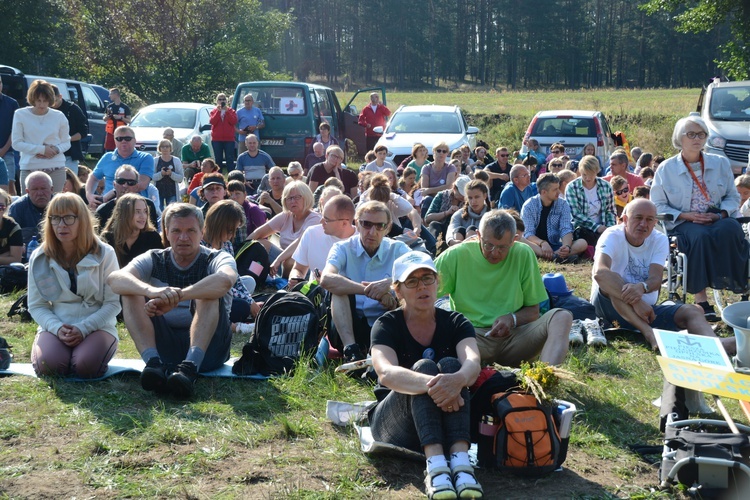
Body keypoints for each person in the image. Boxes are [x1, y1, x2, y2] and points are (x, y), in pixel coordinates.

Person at [368, 251, 483, 499]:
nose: (422, 287)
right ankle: (436, 468)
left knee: (453, 364)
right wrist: (440, 386)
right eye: (412, 281)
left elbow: (473, 362)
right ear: (398, 291)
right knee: (424, 367)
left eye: (428, 278)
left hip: (444, 421)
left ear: (437, 282)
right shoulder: (386, 325)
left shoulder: (456, 322)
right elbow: (386, 373)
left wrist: (458, 380)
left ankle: (461, 465)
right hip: (394, 424)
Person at [108, 203, 238, 398]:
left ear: (202, 232)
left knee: (208, 290)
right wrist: (152, 291)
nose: (183, 237)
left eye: (191, 231)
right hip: (165, 349)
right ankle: (153, 364)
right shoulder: (154, 258)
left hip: (210, 350)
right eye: (176, 231)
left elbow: (225, 280)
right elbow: (115, 279)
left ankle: (189, 370)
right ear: (166, 233)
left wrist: (178, 297)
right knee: (130, 291)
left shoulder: (217, 257)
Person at [592, 198, 735, 353]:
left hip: (647, 312)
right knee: (612, 280)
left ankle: (717, 346)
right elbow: (600, 273)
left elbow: (655, 280)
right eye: (638, 218)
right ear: (625, 219)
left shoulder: (659, 239)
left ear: (655, 223)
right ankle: (649, 333)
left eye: (649, 220)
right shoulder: (612, 235)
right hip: (609, 306)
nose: (643, 224)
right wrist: (636, 302)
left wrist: (642, 287)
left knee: (694, 310)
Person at [435, 210, 572, 367]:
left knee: (562, 317)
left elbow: (533, 311)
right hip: (471, 338)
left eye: (502, 247)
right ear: (478, 236)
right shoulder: (456, 255)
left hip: (515, 337)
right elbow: (425, 291)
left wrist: (512, 319)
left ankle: (544, 378)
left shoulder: (523, 253)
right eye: (488, 245)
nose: (494, 253)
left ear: (514, 240)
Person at [651, 113, 749, 319]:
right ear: (680, 138)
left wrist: (720, 214)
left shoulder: (720, 163)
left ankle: (742, 288)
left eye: (701, 134)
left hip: (715, 217)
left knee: (731, 229)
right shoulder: (666, 169)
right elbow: (658, 204)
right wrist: (686, 215)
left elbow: (732, 196)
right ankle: (702, 301)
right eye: (691, 134)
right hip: (685, 221)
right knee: (699, 237)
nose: (697, 138)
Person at [29, 192, 121, 378]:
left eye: (69, 218)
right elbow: (36, 305)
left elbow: (113, 303)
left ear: (83, 220)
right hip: (57, 325)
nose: (61, 225)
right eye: (55, 218)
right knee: (50, 367)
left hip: (97, 326)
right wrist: (56, 328)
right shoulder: (39, 257)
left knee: (85, 367)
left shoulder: (105, 253)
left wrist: (84, 328)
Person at [320, 201, 410, 362]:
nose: (372, 231)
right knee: (339, 287)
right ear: (357, 223)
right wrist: (372, 292)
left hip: (386, 323)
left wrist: (390, 285)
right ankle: (351, 350)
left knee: (409, 288)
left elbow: (423, 272)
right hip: (348, 327)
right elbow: (326, 279)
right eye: (367, 224)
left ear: (388, 228)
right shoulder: (342, 248)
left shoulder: (398, 249)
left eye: (379, 226)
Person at [248, 181, 322, 277]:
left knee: (290, 261)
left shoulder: (315, 219)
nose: (292, 201)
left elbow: (299, 244)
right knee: (259, 244)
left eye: (297, 197)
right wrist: (240, 251)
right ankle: (253, 275)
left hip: (306, 268)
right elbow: (258, 233)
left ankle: (286, 283)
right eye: (289, 198)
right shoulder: (286, 215)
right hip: (282, 263)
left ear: (306, 197)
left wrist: (278, 260)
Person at [202, 200, 258, 324]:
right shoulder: (201, 247)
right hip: (208, 293)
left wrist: (250, 301)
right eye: (230, 230)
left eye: (234, 231)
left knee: (249, 281)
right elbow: (218, 284)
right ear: (218, 224)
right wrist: (248, 302)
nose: (232, 235)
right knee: (242, 307)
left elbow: (235, 279)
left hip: (227, 290)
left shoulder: (226, 245)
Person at [11, 79, 70, 193]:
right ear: (32, 99)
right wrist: (42, 150)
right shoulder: (20, 114)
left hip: (56, 167)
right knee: (27, 205)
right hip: (29, 167)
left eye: (45, 100)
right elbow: (16, 143)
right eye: (38, 100)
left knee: (54, 207)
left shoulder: (59, 116)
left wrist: (56, 149)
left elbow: (66, 142)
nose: (42, 104)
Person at [288, 194, 357, 286]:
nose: (321, 221)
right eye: (322, 216)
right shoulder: (312, 233)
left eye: (326, 220)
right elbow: (298, 269)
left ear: (344, 223)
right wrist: (296, 278)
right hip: (314, 296)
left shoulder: (363, 241)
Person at [521, 173, 587, 263]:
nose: (559, 192)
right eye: (555, 190)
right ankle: (555, 257)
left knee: (583, 243)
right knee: (521, 240)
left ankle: (553, 256)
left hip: (555, 245)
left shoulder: (563, 204)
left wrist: (566, 246)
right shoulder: (529, 206)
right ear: (544, 192)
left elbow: (566, 229)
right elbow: (528, 233)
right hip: (536, 245)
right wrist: (543, 243)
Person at [86, 126, 154, 209]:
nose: (123, 141)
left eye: (127, 138)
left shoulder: (145, 158)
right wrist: (89, 195)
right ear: (115, 141)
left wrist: (113, 193)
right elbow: (93, 177)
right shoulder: (107, 157)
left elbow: (142, 184)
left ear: (135, 141)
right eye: (119, 139)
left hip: (134, 205)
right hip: (108, 206)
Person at [565, 155, 617, 246]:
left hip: (603, 227)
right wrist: (596, 227)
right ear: (580, 172)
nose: (588, 178)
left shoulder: (606, 186)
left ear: (597, 172)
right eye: (584, 174)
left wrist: (609, 229)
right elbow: (575, 214)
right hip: (581, 228)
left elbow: (610, 211)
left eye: (591, 174)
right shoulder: (572, 187)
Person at [101, 193, 163, 268]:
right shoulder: (108, 238)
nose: (143, 216)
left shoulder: (152, 237)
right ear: (124, 214)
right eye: (137, 211)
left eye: (145, 211)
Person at [96, 165, 159, 231]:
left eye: (131, 182)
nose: (125, 185)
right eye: (121, 181)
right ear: (114, 184)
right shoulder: (103, 210)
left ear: (137, 186)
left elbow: (153, 233)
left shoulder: (148, 206)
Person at [50, 84, 87, 175]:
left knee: (70, 182)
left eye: (54, 100)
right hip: (50, 155)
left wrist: (66, 139)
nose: (52, 104)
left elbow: (83, 132)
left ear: (60, 96)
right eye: (50, 101)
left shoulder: (73, 109)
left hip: (70, 155)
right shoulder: (46, 110)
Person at [8, 171, 53, 245]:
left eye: (43, 188)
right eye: (35, 189)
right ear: (27, 191)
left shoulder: (61, 206)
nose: (40, 193)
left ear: (51, 189)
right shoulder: (17, 208)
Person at [425, 175, 470, 245]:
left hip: (458, 231)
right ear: (454, 188)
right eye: (462, 194)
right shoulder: (441, 196)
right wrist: (447, 213)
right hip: (442, 228)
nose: (464, 197)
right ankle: (436, 247)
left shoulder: (469, 201)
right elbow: (428, 218)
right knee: (434, 224)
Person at [446, 179, 491, 246]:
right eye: (470, 198)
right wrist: (452, 241)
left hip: (483, 251)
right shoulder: (459, 214)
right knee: (459, 230)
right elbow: (451, 229)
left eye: (477, 197)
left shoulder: (492, 216)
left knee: (472, 230)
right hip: (459, 249)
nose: (473, 201)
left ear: (485, 196)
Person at [420, 142, 458, 217]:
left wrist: (430, 190)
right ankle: (424, 223)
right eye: (438, 150)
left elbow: (449, 186)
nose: (441, 153)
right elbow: (424, 189)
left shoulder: (451, 167)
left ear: (447, 154)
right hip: (430, 199)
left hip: (446, 198)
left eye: (444, 151)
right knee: (427, 199)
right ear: (434, 152)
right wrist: (429, 191)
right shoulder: (426, 168)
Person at [0, 75, 20, 196]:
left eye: (0, 82)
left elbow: (16, 130)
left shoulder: (12, 103)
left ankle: (12, 213)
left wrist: (4, 149)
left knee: (10, 185)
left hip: (7, 152)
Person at [152, 139, 184, 209]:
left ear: (170, 148)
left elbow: (181, 178)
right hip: (158, 191)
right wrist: (161, 174)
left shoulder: (176, 160)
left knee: (172, 211)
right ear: (159, 148)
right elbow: (152, 177)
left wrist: (171, 174)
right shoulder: (155, 160)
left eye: (167, 146)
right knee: (158, 212)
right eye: (163, 147)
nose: (165, 148)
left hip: (172, 192)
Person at [209, 93, 238, 171]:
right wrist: (218, 112)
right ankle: (219, 178)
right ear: (217, 101)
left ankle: (231, 178)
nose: (222, 101)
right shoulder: (213, 111)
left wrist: (227, 111)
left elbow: (233, 121)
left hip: (229, 139)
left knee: (230, 159)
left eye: (223, 99)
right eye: (220, 99)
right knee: (218, 160)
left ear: (227, 101)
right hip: (216, 139)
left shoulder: (231, 111)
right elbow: (212, 122)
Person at [0, 188, 22, 264]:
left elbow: (16, 259)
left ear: (6, 208)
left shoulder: (13, 227)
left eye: (0, 206)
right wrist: (8, 253)